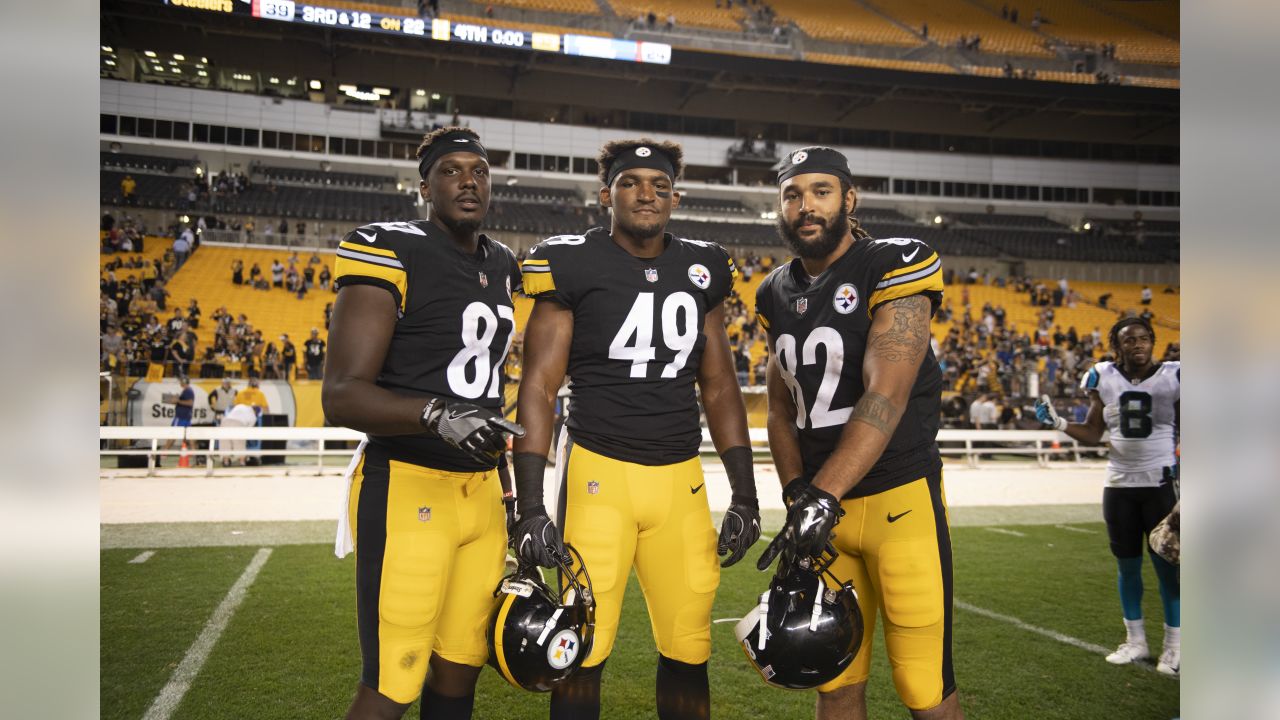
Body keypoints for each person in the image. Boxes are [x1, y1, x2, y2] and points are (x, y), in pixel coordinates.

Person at [513, 138, 760, 720]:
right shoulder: (571, 261)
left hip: (680, 478)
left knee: (688, 642)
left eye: (660, 184)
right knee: (580, 646)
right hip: (600, 469)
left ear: (676, 197)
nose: (646, 193)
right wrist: (528, 503)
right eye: (630, 182)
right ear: (607, 195)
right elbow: (539, 387)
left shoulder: (702, 266)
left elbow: (720, 384)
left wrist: (745, 492)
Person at [322, 126, 525, 720]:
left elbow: (490, 391)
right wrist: (433, 413)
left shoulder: (503, 263)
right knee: (393, 680)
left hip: (483, 495)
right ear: (424, 186)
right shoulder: (389, 247)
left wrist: (510, 491)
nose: (469, 181)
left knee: (460, 671)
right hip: (408, 485)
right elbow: (341, 396)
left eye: (480, 171)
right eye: (452, 170)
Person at [754, 147, 962, 718]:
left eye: (821, 191)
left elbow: (887, 392)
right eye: (792, 195)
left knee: (923, 684)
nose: (806, 206)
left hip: (898, 502)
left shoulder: (894, 262)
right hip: (825, 514)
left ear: (849, 198)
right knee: (835, 678)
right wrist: (798, 492)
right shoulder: (774, 290)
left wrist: (822, 494)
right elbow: (779, 408)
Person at [1035, 316, 1180, 676]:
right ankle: (1136, 641)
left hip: (1161, 484)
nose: (1139, 345)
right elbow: (1093, 432)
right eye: (1130, 340)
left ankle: (1175, 648)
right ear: (1117, 345)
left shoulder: (1176, 376)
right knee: (1127, 566)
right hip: (1118, 486)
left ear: (1153, 341)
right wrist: (1059, 424)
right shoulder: (1103, 377)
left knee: (1168, 568)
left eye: (1145, 338)